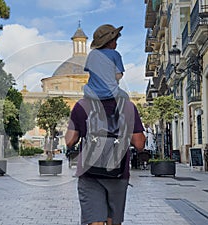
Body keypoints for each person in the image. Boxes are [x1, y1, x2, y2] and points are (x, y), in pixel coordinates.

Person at [65, 97, 145, 225]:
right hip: (118, 172)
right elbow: (139, 144)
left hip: (89, 173)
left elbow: (69, 141)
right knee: (113, 221)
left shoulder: (82, 105)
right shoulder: (128, 107)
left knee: (94, 221)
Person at [83, 24, 129, 100]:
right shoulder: (115, 54)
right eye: (115, 41)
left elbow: (91, 72)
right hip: (110, 93)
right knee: (126, 97)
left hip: (91, 93)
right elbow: (118, 75)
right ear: (109, 42)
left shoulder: (91, 54)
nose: (116, 43)